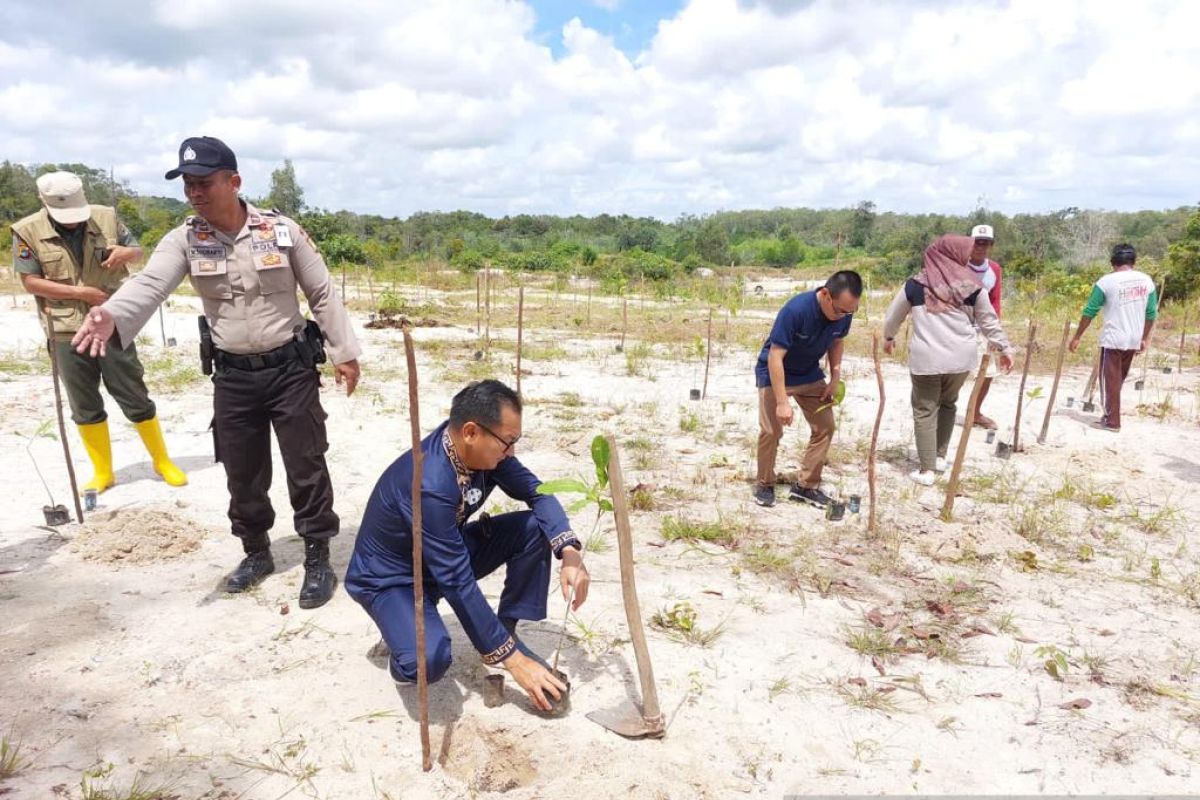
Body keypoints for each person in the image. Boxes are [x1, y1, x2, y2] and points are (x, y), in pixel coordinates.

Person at [70, 137, 361, 610]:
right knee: (242, 471)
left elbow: (322, 292)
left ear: (234, 181)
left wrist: (344, 351)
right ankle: (256, 553)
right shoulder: (185, 238)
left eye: (204, 182)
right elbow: (149, 283)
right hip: (233, 377)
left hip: (290, 370)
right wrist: (114, 314)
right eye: (188, 184)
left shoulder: (281, 231)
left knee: (306, 465)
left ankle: (316, 557)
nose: (194, 193)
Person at [345, 380, 589, 712]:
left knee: (534, 529)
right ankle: (401, 643)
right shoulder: (429, 482)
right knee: (428, 660)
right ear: (471, 432)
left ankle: (505, 631)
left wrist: (570, 553)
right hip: (391, 580)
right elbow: (458, 581)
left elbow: (538, 492)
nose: (510, 453)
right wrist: (514, 663)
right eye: (508, 442)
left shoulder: (485, 453)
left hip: (443, 556)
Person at [12, 171, 186, 494]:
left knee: (133, 391)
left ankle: (162, 461)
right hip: (66, 330)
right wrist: (81, 294)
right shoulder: (26, 231)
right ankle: (103, 472)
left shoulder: (107, 217)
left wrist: (126, 253)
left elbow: (138, 252)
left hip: (112, 320)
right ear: (44, 203)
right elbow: (30, 282)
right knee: (84, 403)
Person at [884, 235, 1014, 486]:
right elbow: (988, 321)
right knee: (948, 404)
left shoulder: (915, 284)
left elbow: (893, 316)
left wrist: (889, 337)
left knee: (924, 409)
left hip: (927, 359)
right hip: (961, 359)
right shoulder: (973, 286)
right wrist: (1005, 348)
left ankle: (926, 470)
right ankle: (940, 457)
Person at [753, 270, 862, 508]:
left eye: (849, 311)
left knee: (825, 426)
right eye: (839, 310)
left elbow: (837, 341)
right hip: (775, 373)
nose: (842, 316)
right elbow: (775, 356)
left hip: (809, 373)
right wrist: (782, 402)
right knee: (772, 431)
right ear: (825, 294)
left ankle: (806, 486)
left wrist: (835, 376)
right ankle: (764, 484)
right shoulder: (795, 310)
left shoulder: (844, 312)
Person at [1068, 243, 1156, 432]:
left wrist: (1077, 336)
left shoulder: (1106, 282)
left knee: (1109, 381)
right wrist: (1144, 338)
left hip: (1113, 339)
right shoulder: (1146, 281)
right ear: (1133, 261)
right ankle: (1110, 414)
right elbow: (1151, 313)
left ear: (1113, 261)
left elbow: (1090, 310)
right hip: (1133, 338)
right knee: (1118, 379)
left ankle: (1112, 421)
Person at [966, 224, 1004, 430]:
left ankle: (975, 412)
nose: (980, 247)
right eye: (977, 242)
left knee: (987, 374)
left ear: (991, 245)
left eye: (985, 243)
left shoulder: (994, 270)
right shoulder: (958, 266)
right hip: (958, 328)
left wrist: (995, 335)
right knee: (953, 373)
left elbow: (995, 302)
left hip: (982, 329)